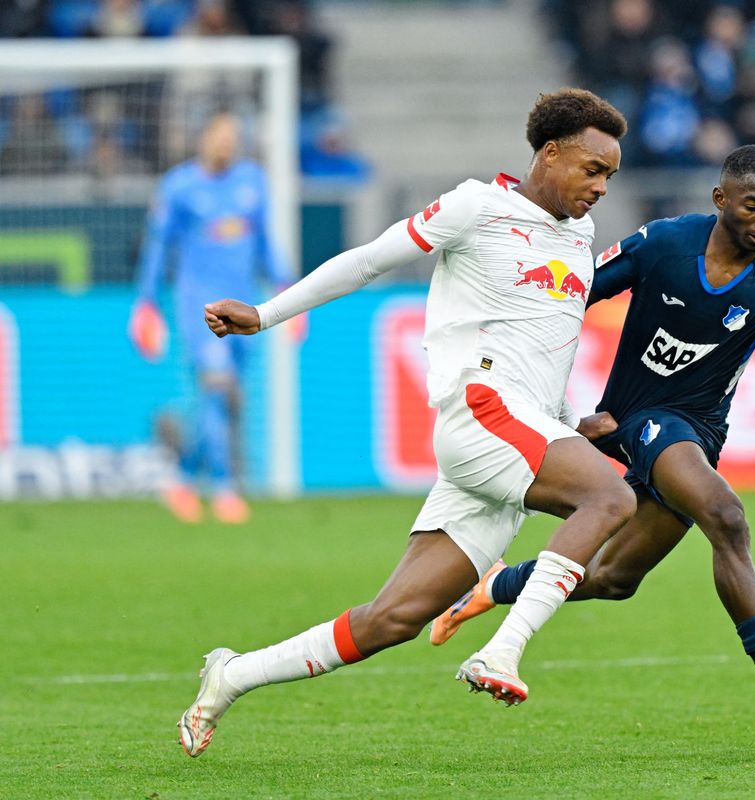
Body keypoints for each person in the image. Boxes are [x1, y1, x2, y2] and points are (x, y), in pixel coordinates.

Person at [177, 89, 634, 757]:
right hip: (482, 412)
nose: (600, 186)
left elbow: (544, 347)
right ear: (550, 153)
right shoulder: (477, 207)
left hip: (519, 432)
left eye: (610, 176)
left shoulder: (581, 236)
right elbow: (367, 261)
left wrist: (568, 422)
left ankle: (230, 676)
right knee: (610, 496)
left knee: (392, 619)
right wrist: (267, 314)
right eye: (592, 169)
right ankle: (501, 653)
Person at [430, 144, 755, 741]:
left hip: (700, 434)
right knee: (726, 515)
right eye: (752, 206)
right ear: (721, 199)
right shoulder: (663, 243)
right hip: (640, 419)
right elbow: (568, 299)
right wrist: (547, 399)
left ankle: (496, 585)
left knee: (615, 579)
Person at [130, 112, 293, 524]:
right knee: (216, 389)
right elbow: (157, 246)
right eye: (219, 137)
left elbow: (266, 243)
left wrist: (287, 291)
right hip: (199, 306)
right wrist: (145, 303)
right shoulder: (180, 186)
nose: (226, 144)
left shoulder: (252, 181)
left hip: (246, 307)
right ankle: (223, 487)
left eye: (232, 138)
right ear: (202, 139)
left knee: (224, 397)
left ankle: (182, 478)